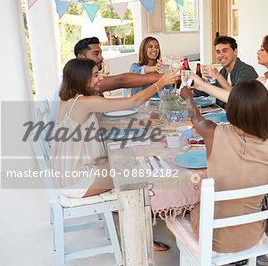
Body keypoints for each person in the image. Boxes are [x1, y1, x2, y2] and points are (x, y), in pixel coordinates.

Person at [49, 58, 176, 251]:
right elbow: (134, 101)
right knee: (138, 172)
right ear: (81, 79)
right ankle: (140, 240)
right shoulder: (84, 102)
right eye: (95, 75)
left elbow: (100, 126)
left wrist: (140, 126)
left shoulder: (69, 100)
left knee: (132, 160)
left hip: (66, 174)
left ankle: (145, 222)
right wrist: (161, 82)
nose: (100, 78)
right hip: (75, 180)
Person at [180, 81, 268, 253]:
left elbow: (196, 118)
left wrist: (188, 97)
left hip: (213, 239)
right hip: (252, 235)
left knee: (193, 206)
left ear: (231, 109)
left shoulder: (213, 132)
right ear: (266, 112)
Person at [51, 37, 168, 121]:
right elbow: (123, 81)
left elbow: (99, 118)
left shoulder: (71, 83)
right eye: (96, 54)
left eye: (101, 53)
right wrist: (163, 79)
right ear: (81, 58)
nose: (101, 57)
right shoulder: (82, 89)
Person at [190, 34, 268, 102]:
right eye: (218, 52)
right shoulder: (262, 80)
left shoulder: (247, 72)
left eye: (262, 49)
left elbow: (238, 98)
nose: (258, 52)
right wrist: (196, 87)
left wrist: (205, 84)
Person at [205, 36, 258, 107]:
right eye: (218, 52)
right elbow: (211, 88)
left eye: (225, 51)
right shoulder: (223, 72)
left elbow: (236, 96)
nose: (220, 55)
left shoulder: (247, 71)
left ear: (235, 51)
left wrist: (218, 76)